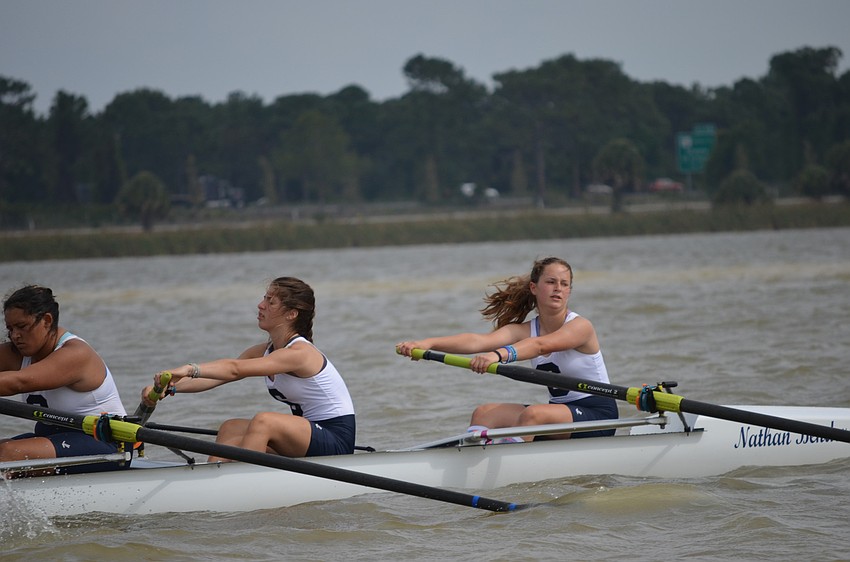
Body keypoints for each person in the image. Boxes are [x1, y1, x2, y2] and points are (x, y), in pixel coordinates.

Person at [397, 257, 618, 442]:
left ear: (570, 291)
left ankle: (507, 463)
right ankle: (475, 460)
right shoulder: (524, 330)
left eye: (564, 284)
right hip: (559, 414)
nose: (558, 288)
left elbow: (540, 345)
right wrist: (427, 343)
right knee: (484, 412)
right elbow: (478, 341)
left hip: (598, 415)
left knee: (533, 415)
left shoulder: (581, 327)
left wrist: (497, 356)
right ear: (534, 287)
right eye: (551, 282)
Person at [142, 276, 355, 461]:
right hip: (308, 435)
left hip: (335, 439)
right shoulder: (263, 351)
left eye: (271, 302)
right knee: (231, 427)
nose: (261, 305)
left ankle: (243, 481)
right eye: (264, 298)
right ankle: (213, 479)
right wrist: (168, 387)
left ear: (291, 314)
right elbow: (216, 377)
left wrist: (189, 368)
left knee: (264, 421)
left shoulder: (300, 354)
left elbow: (234, 368)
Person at [0, 285, 129, 472]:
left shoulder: (75, 354)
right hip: (54, 440)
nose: (15, 335)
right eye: (10, 329)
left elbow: (19, 382)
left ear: (46, 320)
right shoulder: (19, 350)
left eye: (22, 326)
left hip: (106, 445)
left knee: (7, 453)